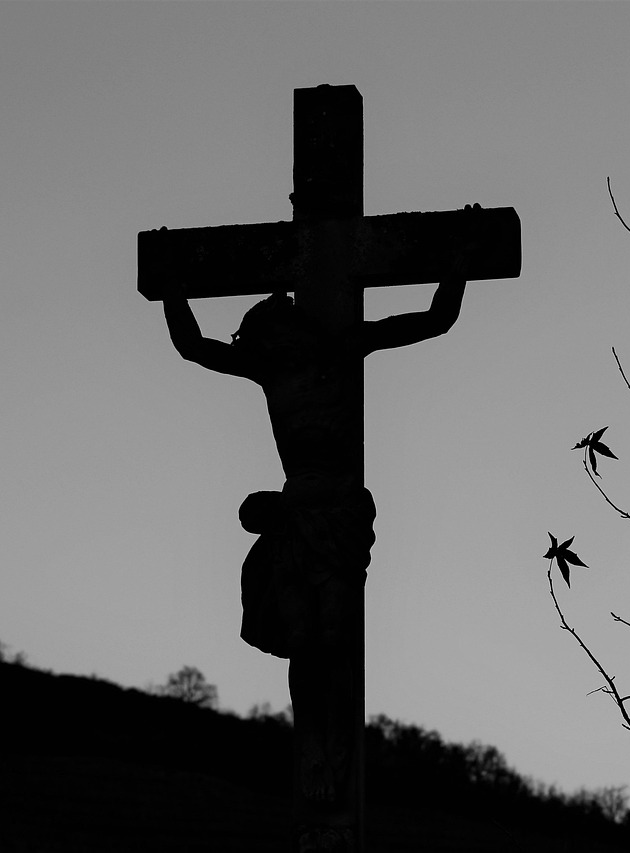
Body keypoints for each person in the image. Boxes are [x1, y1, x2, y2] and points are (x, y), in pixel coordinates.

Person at [160, 242, 471, 808]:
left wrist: (456, 264)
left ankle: (337, 745)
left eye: (274, 335)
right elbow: (191, 346)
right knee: (305, 640)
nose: (270, 346)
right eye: (261, 342)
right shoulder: (269, 370)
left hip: (341, 514)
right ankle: (313, 748)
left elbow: (435, 319)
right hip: (297, 517)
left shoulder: (344, 348)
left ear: (292, 328)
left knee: (334, 636)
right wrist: (171, 284)